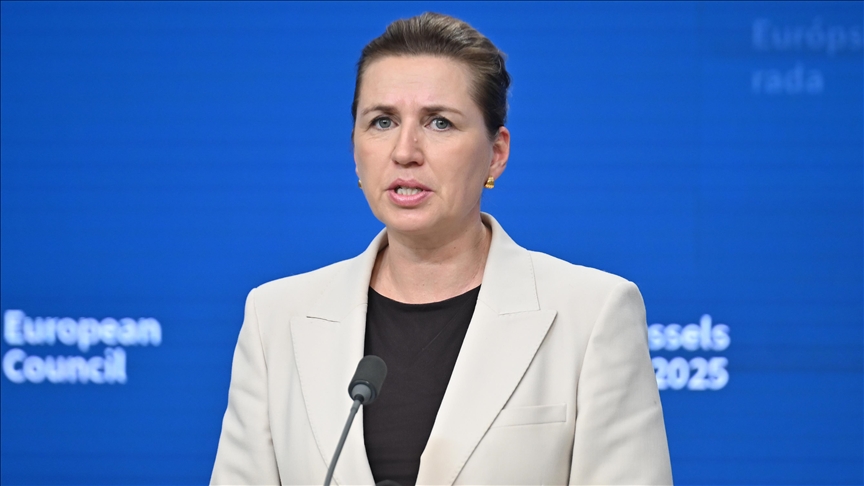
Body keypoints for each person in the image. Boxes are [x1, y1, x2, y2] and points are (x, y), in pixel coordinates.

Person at [211, 12, 672, 486]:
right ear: (355, 150)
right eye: (382, 121)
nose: (405, 151)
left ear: (496, 153)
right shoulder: (275, 317)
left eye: (439, 122)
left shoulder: (592, 313)